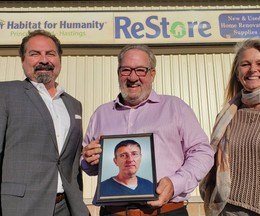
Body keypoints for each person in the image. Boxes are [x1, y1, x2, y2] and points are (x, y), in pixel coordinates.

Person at [81, 44, 214, 216]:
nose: (133, 77)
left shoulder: (175, 107)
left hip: (167, 211)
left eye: (140, 70)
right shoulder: (102, 113)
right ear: (118, 74)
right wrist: (88, 159)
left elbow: (203, 152)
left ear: (152, 74)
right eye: (126, 70)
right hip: (114, 213)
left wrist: (176, 183)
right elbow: (85, 163)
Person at [0, 30, 90, 216]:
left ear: (59, 59)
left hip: (66, 206)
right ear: (23, 60)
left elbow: (70, 161)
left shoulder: (73, 105)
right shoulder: (5, 93)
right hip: (19, 207)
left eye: (50, 54)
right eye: (35, 54)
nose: (44, 60)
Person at [200, 38, 260, 216]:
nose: (252, 70)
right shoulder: (226, 116)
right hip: (228, 210)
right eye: (245, 64)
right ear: (237, 73)